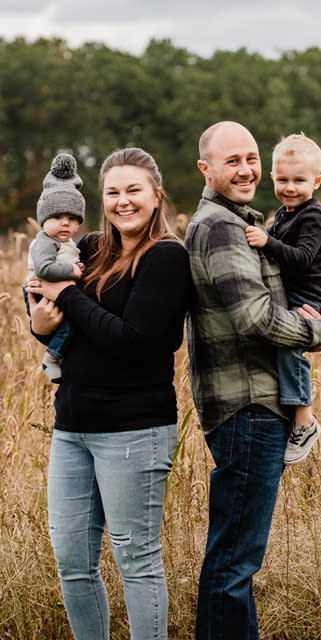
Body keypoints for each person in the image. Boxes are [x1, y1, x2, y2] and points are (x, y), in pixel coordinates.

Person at [27, 147, 192, 640]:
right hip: (72, 425)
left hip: (134, 430)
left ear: (156, 195)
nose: (123, 201)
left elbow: (131, 340)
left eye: (134, 190)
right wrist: (38, 322)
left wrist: (67, 296)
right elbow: (54, 315)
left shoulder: (167, 257)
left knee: (135, 560)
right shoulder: (91, 247)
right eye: (113, 192)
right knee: (73, 560)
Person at [185, 121, 321, 640]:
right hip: (248, 407)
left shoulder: (244, 221)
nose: (247, 169)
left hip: (255, 406)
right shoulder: (221, 227)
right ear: (206, 169)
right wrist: (319, 331)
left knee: (234, 560)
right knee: (234, 563)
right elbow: (255, 318)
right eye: (234, 161)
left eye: (252, 158)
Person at [245, 133, 321, 465]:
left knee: (288, 341)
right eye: (283, 179)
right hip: (294, 291)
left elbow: (300, 257)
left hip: (312, 294)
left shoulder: (313, 215)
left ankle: (304, 419)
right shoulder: (285, 213)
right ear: (272, 177)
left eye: (300, 180)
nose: (290, 187)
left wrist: (265, 241)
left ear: (317, 181)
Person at [27, 153, 85, 383]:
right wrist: (72, 272)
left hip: (56, 292)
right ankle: (51, 357)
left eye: (72, 218)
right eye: (58, 216)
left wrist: (75, 266)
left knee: (71, 325)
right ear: (43, 219)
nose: (65, 223)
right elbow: (44, 269)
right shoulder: (45, 241)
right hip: (41, 293)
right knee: (69, 326)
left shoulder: (66, 242)